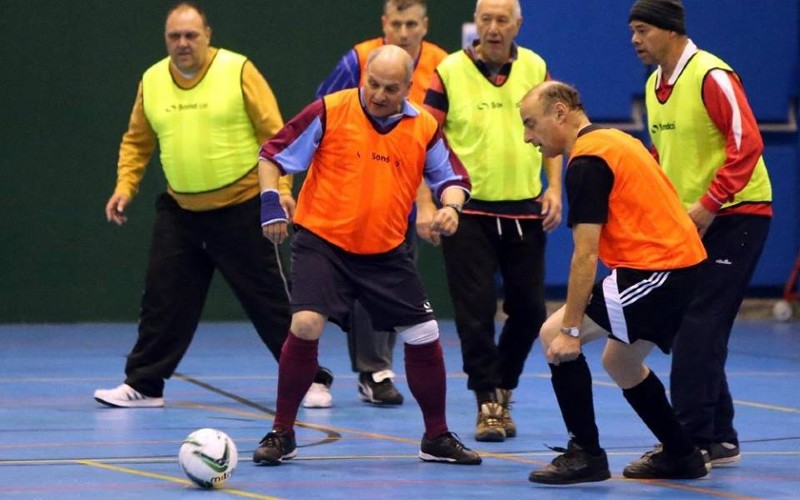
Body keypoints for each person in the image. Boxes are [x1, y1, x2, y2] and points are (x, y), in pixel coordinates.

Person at [93, 1, 331, 408]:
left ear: (207, 35)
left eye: (190, 35)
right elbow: (137, 140)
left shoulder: (238, 70)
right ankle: (145, 385)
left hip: (242, 205)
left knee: (271, 300)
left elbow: (276, 133)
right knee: (162, 300)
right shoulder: (151, 80)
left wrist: (282, 190)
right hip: (180, 211)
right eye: (174, 36)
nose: (183, 43)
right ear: (166, 40)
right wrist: (124, 186)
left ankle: (310, 380)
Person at [251, 45, 480, 466]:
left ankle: (436, 437)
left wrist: (451, 207)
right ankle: (282, 431)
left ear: (407, 88)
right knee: (305, 323)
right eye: (372, 83)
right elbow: (271, 156)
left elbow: (453, 177)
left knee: (425, 334)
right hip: (322, 242)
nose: (377, 94)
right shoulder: (331, 109)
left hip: (385, 252)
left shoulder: (423, 126)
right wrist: (269, 202)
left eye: (390, 88)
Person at [520, 81, 710, 484]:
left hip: (660, 269)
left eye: (531, 124)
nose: (527, 136)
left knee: (554, 338)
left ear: (559, 113)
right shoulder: (614, 139)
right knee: (619, 361)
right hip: (674, 266)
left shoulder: (588, 162)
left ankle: (586, 453)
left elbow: (584, 254)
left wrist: (571, 328)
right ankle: (682, 454)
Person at [628, 0, 772, 467]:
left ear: (669, 31)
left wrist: (710, 203)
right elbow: (662, 153)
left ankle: (688, 442)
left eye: (642, 30)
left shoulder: (711, 75)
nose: (634, 40)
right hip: (691, 223)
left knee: (698, 327)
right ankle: (720, 437)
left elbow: (747, 143)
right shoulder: (654, 85)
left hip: (737, 215)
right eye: (632, 30)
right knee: (693, 326)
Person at [422, 0, 562, 442]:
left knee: (530, 312)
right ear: (476, 23)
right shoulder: (448, 71)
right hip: (467, 210)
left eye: (503, 20)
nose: (493, 27)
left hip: (524, 208)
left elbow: (556, 132)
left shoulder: (536, 67)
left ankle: (503, 384)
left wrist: (554, 187)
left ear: (518, 25)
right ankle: (487, 401)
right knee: (475, 312)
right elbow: (422, 139)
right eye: (486, 19)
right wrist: (427, 204)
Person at [308, 0, 449, 408]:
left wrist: (434, 199)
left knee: (385, 288)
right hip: (350, 197)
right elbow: (324, 114)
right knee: (321, 297)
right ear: (384, 24)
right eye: (396, 24)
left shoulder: (442, 66)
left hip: (402, 197)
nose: (403, 32)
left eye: (411, 24)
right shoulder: (358, 59)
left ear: (424, 26)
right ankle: (342, 370)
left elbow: (435, 136)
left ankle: (375, 369)